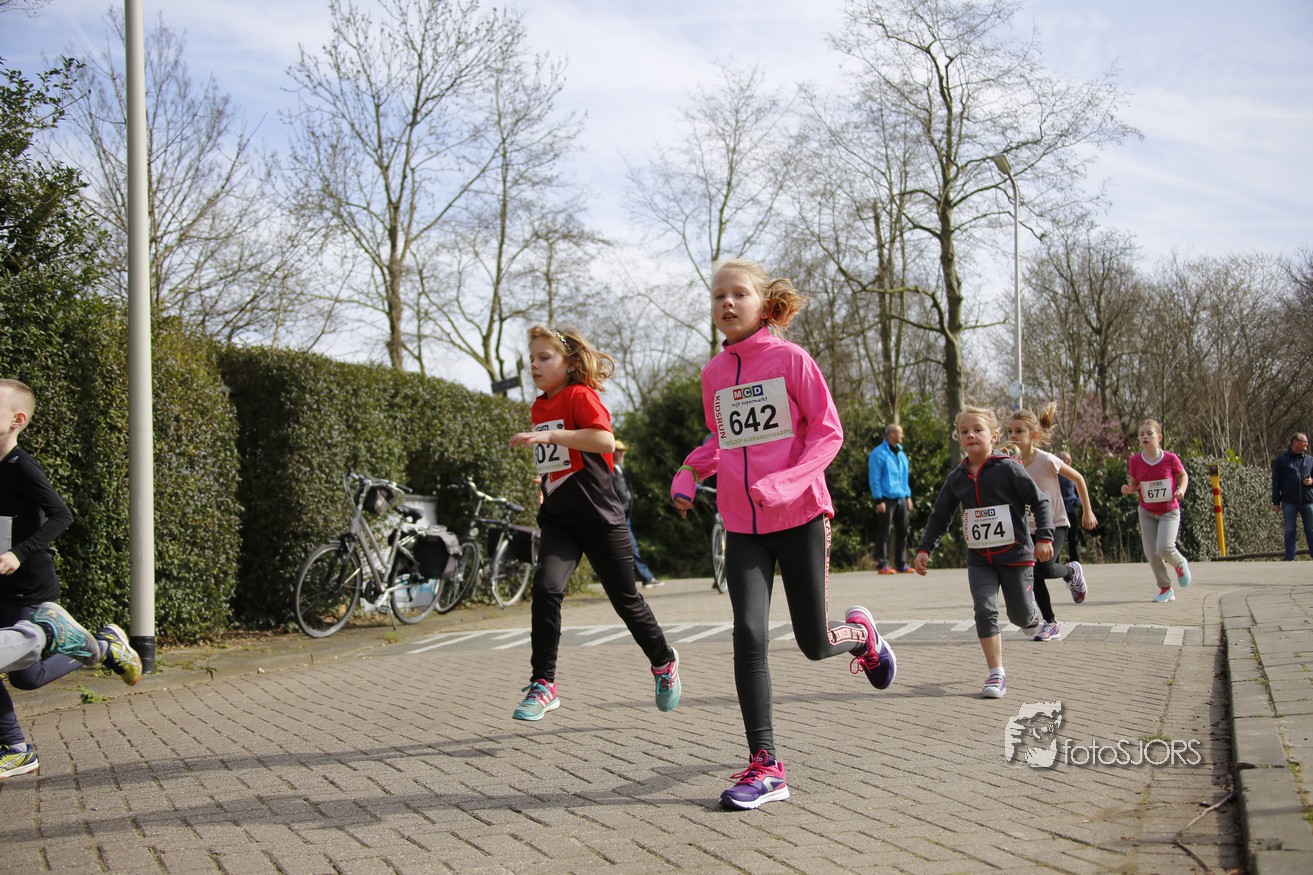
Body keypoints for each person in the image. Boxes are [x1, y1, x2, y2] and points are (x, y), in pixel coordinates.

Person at [670, 258, 896, 811]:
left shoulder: (792, 359)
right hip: (743, 525)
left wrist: (787, 481)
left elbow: (828, 432)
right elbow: (722, 440)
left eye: (738, 293)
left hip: (799, 517)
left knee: (814, 643)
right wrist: (690, 469)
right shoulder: (713, 374)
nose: (727, 303)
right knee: (748, 635)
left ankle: (863, 637)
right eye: (718, 295)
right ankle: (766, 765)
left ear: (763, 303)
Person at [507, 328, 680, 722]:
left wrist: (552, 436)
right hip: (559, 522)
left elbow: (604, 441)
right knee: (546, 589)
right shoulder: (538, 406)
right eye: (531, 358)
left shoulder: (579, 395)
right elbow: (561, 459)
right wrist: (546, 482)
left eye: (544, 357)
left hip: (600, 519)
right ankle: (543, 683)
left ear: (570, 363)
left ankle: (663, 661)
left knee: (626, 600)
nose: (534, 365)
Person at [0, 379, 143, 781]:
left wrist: (18, 553)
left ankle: (102, 647)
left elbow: (62, 515)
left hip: (28, 585)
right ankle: (15, 748)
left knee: (26, 677)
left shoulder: (22, 467)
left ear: (17, 420)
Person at [912, 405, 1050, 699]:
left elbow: (1039, 501)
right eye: (964, 431)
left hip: (1015, 556)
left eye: (978, 429)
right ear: (958, 438)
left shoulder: (1008, 468)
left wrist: (1044, 538)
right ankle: (996, 673)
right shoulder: (957, 477)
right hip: (980, 559)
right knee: (985, 610)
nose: (970, 435)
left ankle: (1031, 616)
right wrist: (925, 548)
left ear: (994, 436)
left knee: (1020, 617)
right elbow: (940, 516)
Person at [1006, 405, 1097, 642]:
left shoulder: (1046, 460)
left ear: (1033, 435)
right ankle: (1050, 623)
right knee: (1034, 572)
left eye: (1019, 431)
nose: (1013, 436)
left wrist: (1087, 511)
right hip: (1028, 529)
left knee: (1044, 568)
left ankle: (1071, 571)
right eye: (1010, 431)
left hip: (1055, 524)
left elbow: (1078, 478)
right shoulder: (1010, 464)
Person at [1121, 419, 1191, 601]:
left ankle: (1180, 563)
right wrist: (1129, 489)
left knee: (1165, 548)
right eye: (1141, 434)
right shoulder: (1135, 461)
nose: (1145, 437)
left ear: (1159, 437)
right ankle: (1166, 588)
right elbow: (1135, 483)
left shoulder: (1170, 458)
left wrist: (1181, 490)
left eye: (1149, 433)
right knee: (1151, 553)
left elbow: (1183, 475)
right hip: (1147, 512)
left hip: (1169, 511)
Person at [612, 440, 661, 587]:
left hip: (625, 515)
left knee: (629, 548)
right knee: (630, 548)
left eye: (623, 451)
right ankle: (645, 578)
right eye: (619, 451)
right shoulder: (610, 471)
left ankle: (633, 580)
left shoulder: (621, 470)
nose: (622, 454)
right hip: (618, 516)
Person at [868, 423, 914, 574]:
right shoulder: (878, 454)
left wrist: (908, 496)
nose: (902, 436)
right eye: (900, 433)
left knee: (903, 530)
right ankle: (882, 564)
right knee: (884, 531)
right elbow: (874, 478)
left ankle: (901, 563)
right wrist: (878, 500)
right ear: (892, 434)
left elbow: (904, 477)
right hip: (885, 498)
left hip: (901, 497)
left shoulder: (901, 453)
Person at [1271, 432, 1313, 561]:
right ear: (1295, 442)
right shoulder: (1281, 460)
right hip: (1289, 501)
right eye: (1304, 441)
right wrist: (1276, 502)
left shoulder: (1310, 460)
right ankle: (1290, 556)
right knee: (1290, 530)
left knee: (1311, 529)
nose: (1307, 444)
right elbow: (1276, 482)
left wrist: (1312, 481)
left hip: (1308, 500)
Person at [1056, 451, 1083, 564]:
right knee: (1058, 536)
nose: (1067, 461)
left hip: (1072, 507)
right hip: (1059, 508)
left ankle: (1075, 561)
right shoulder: (1055, 474)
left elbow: (1078, 491)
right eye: (1065, 459)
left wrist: (1077, 502)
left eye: (1069, 459)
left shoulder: (1073, 474)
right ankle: (1055, 562)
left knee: (1073, 537)